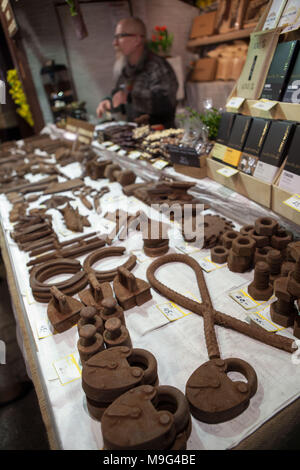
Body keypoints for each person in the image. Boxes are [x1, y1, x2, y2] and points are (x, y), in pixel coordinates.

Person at [96, 17, 178, 128]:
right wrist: (109, 102)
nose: (114, 43)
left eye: (120, 36)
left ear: (137, 39)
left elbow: (165, 104)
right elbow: (120, 96)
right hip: (135, 135)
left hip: (161, 137)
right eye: (115, 37)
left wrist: (128, 96)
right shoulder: (126, 68)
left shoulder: (157, 67)